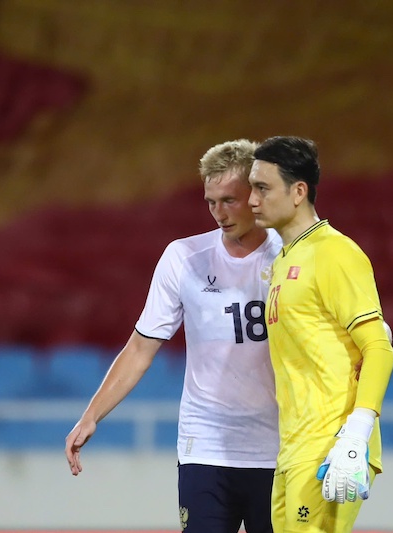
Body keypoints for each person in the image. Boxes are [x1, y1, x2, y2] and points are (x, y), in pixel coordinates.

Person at [65, 139, 282, 533]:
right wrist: (91, 415)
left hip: (280, 449)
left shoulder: (293, 256)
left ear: (256, 194)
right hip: (206, 446)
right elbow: (141, 347)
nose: (219, 213)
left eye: (229, 200)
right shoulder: (184, 258)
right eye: (210, 201)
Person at [247, 136, 393, 533]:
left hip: (331, 443)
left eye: (262, 188)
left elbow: (379, 348)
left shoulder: (335, 252)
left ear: (298, 191)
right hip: (293, 445)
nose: (251, 200)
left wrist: (355, 438)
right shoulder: (284, 261)